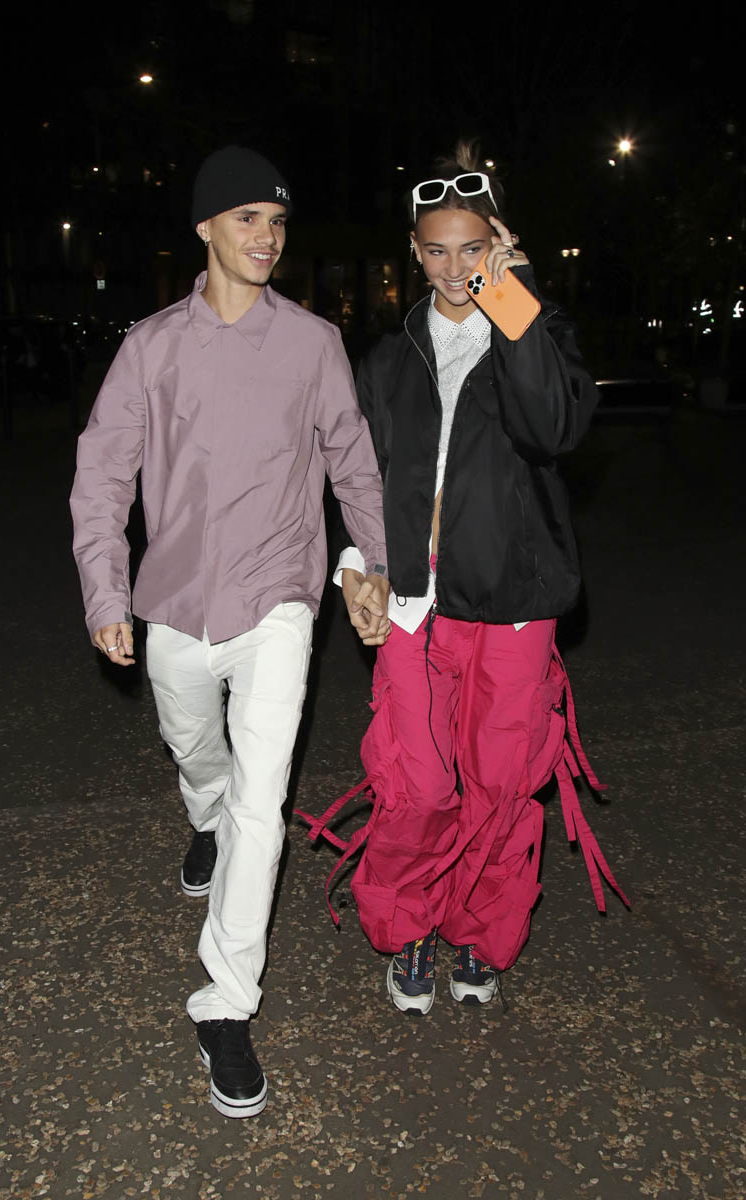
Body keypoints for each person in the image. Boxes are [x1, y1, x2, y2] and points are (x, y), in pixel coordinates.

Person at [70, 146, 389, 1117]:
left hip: (280, 597)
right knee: (195, 749)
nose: (267, 237)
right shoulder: (150, 347)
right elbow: (102, 474)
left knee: (263, 798)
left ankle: (225, 1002)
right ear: (205, 227)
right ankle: (201, 814)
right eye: (247, 218)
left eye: (278, 222)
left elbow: (352, 460)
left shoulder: (313, 344)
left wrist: (369, 563)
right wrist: (105, 592)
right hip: (175, 598)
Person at [303, 139, 627, 1015]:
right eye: (438, 250)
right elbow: (356, 474)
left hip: (513, 600)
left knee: (500, 780)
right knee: (417, 781)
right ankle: (407, 924)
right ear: (414, 252)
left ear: (501, 244)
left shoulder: (536, 329)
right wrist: (357, 568)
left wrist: (511, 298)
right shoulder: (387, 357)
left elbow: (554, 428)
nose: (455, 267)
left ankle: (481, 931)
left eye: (473, 248)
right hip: (414, 603)